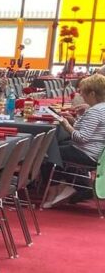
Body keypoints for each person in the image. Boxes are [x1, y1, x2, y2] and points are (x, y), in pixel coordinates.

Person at [44, 74, 105, 207]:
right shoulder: (101, 108)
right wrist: (73, 121)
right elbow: (88, 131)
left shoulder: (95, 111)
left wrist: (66, 125)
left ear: (92, 93)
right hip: (96, 151)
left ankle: (55, 189)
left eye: (83, 92)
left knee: (49, 152)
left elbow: (82, 138)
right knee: (58, 145)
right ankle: (69, 184)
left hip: (87, 152)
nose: (80, 95)